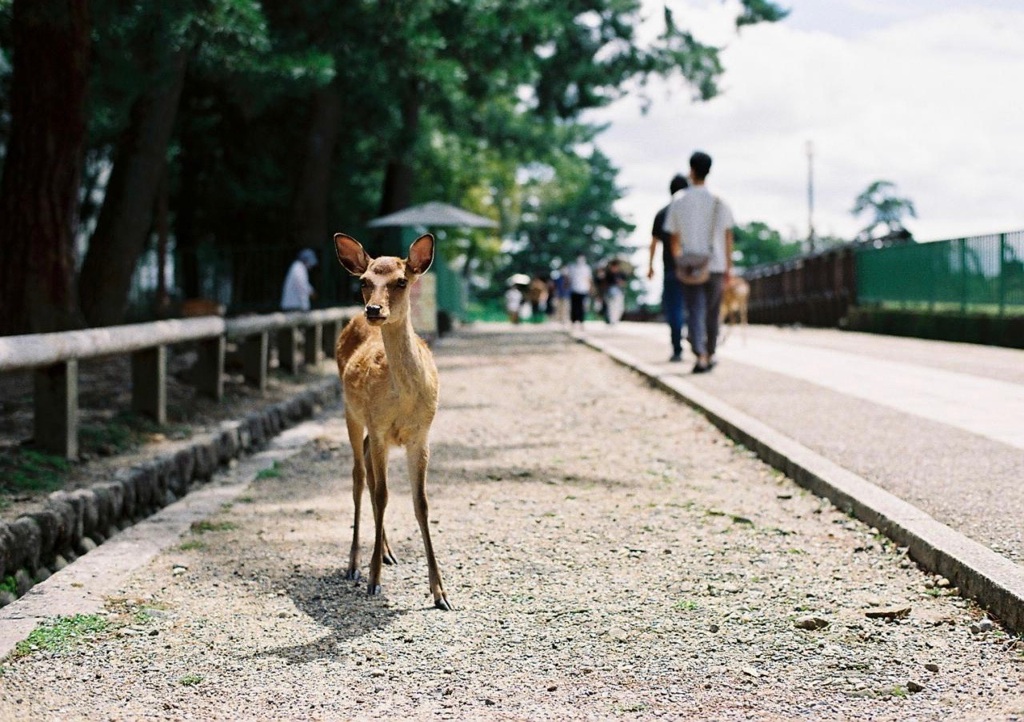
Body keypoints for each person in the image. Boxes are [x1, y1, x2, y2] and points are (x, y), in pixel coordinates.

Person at [664, 151, 735, 374]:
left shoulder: (679, 200)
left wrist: (678, 260)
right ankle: (711, 352)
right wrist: (728, 268)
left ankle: (700, 355)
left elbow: (673, 236)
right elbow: (727, 236)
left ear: (691, 170)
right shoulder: (719, 200)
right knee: (713, 311)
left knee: (694, 309)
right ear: (709, 170)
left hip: (689, 265)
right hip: (715, 263)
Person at [648, 173, 689, 361]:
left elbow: (654, 242)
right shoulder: (690, 212)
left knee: (674, 307)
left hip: (670, 267)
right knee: (693, 304)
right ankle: (694, 338)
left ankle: (677, 347)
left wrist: (650, 266)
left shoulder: (662, 212)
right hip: (691, 266)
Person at [566, 254, 592, 328]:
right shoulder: (572, 267)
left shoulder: (586, 268)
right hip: (574, 289)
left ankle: (581, 321)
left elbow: (588, 279)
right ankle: (573, 321)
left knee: (582, 307)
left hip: (583, 290)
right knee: (574, 306)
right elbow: (569, 278)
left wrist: (590, 288)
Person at [603, 259, 627, 325]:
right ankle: (611, 321)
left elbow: (624, 283)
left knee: (619, 307)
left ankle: (616, 320)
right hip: (610, 293)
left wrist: (620, 283)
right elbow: (604, 284)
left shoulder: (621, 274)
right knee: (611, 307)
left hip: (619, 292)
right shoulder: (608, 274)